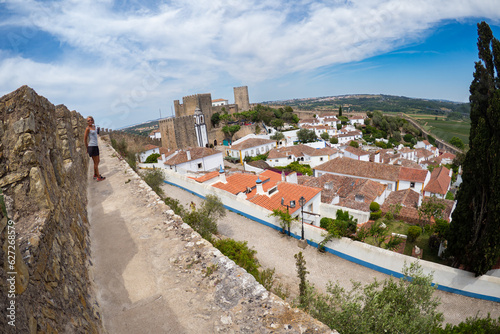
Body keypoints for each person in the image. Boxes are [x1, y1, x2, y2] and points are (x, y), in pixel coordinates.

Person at [84, 116, 106, 181]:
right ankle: (98, 177)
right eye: (88, 120)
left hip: (95, 146)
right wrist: (87, 148)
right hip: (91, 146)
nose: (90, 121)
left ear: (93, 120)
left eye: (91, 120)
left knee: (97, 161)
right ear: (87, 122)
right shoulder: (87, 129)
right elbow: (85, 139)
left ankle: (95, 174)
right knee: (96, 162)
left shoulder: (94, 127)